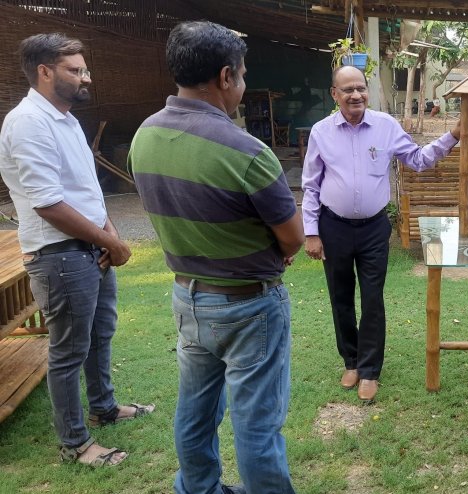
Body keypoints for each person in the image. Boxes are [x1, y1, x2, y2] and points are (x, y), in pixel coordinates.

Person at [128, 21, 304, 494]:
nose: (243, 86)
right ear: (226, 77)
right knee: (257, 422)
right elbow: (293, 236)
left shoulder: (143, 137)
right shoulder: (246, 151)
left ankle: (197, 489)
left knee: (195, 410)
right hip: (249, 307)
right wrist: (273, 253)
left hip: (187, 299)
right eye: (243, 76)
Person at [0, 33, 153, 467]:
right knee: (67, 352)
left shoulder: (64, 119)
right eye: (76, 70)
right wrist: (110, 242)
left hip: (90, 250)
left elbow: (86, 190)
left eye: (84, 68)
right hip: (60, 256)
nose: (87, 77)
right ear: (45, 72)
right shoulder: (28, 122)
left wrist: (109, 235)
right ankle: (75, 444)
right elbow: (49, 203)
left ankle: (104, 409)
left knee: (99, 335)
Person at [301, 65, 460, 402]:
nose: (355, 95)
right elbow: (311, 185)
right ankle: (351, 361)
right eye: (347, 90)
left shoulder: (386, 126)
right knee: (340, 297)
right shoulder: (321, 132)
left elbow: (416, 159)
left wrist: (453, 137)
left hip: (374, 228)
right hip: (334, 227)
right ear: (335, 94)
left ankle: (370, 371)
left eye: (360, 88)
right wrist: (311, 232)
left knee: (372, 298)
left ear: (367, 91)